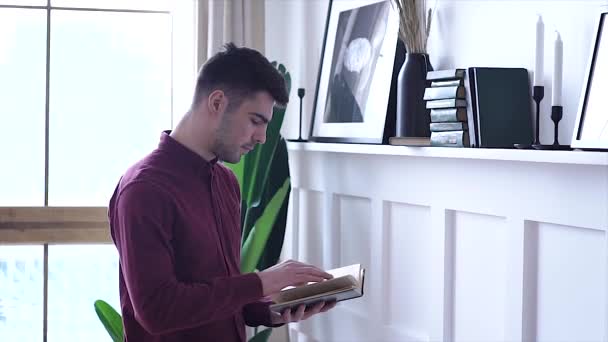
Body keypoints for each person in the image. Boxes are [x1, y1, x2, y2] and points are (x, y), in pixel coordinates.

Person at [108, 43, 336, 341]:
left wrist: (274, 309)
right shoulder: (144, 190)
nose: (263, 137)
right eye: (256, 121)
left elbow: (220, 294)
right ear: (217, 103)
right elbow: (157, 310)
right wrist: (261, 281)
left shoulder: (226, 183)